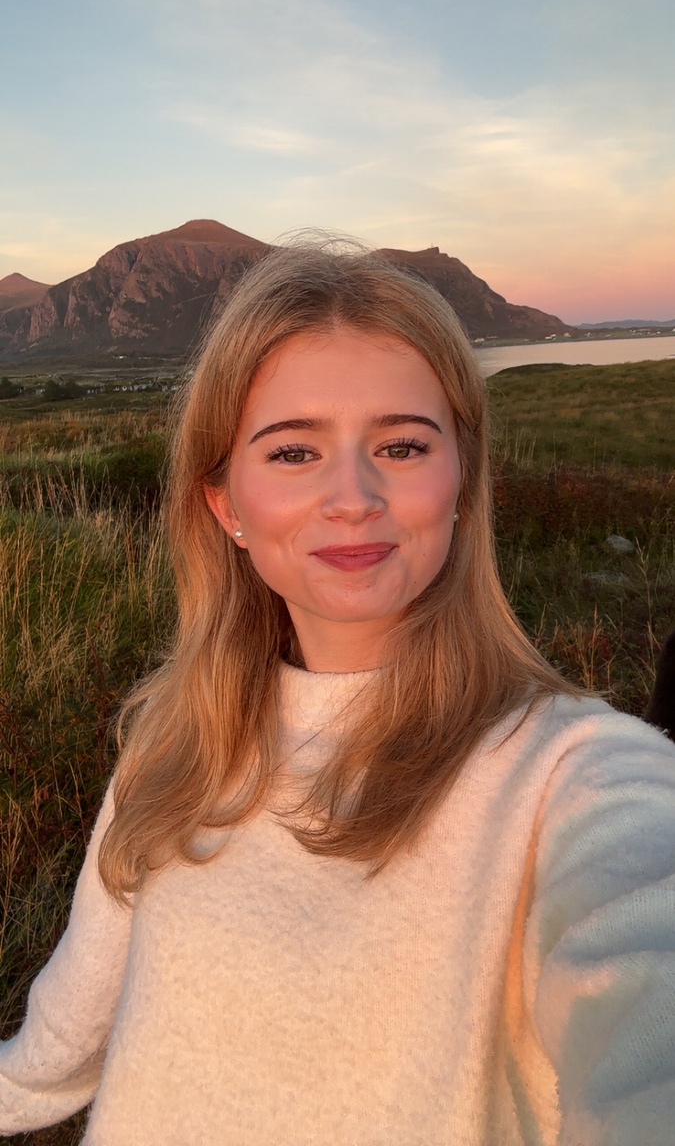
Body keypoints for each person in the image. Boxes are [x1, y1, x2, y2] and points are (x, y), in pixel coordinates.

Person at [1, 243, 675, 1146]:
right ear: (225, 506)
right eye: (293, 451)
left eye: (401, 446)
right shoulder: (175, 745)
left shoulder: (577, 777)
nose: (353, 496)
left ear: (462, 480)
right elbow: (53, 1054)